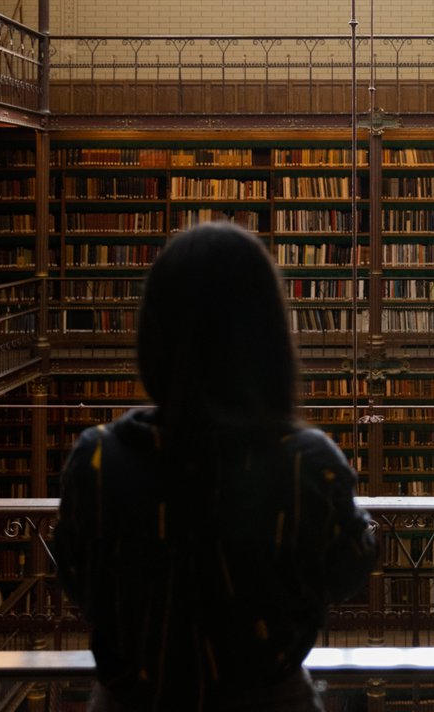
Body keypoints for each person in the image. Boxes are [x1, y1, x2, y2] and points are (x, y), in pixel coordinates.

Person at [54, 221, 377, 712]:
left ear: (154, 331)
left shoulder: (98, 459)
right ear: (269, 335)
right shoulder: (307, 464)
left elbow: (77, 576)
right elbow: (347, 571)